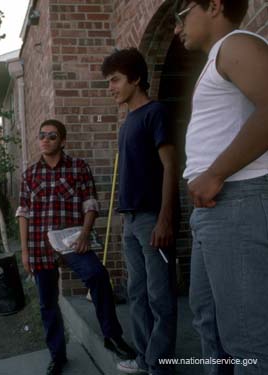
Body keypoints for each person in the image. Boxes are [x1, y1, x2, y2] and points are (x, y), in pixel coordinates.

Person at [174, 0, 268, 373]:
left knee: (249, 342)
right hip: (217, 212)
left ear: (213, 5)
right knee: (210, 323)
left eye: (181, 16)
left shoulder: (237, 45)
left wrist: (215, 174)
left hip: (237, 202)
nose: (177, 28)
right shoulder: (219, 56)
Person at [16, 119, 135, 375]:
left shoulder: (78, 168)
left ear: (62, 141)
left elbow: (90, 203)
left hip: (71, 241)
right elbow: (23, 213)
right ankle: (57, 355)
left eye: (52, 136)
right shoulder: (29, 174)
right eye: (42, 135)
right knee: (47, 303)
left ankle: (111, 336)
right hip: (39, 244)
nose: (46, 139)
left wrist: (85, 232)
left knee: (98, 276)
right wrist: (25, 251)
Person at [102, 48, 179, 375]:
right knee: (137, 293)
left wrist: (164, 218)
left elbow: (171, 167)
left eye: (116, 80)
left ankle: (161, 365)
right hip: (130, 219)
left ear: (135, 78)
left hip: (151, 218)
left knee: (160, 296)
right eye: (109, 81)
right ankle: (146, 360)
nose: (111, 87)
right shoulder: (127, 122)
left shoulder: (155, 113)